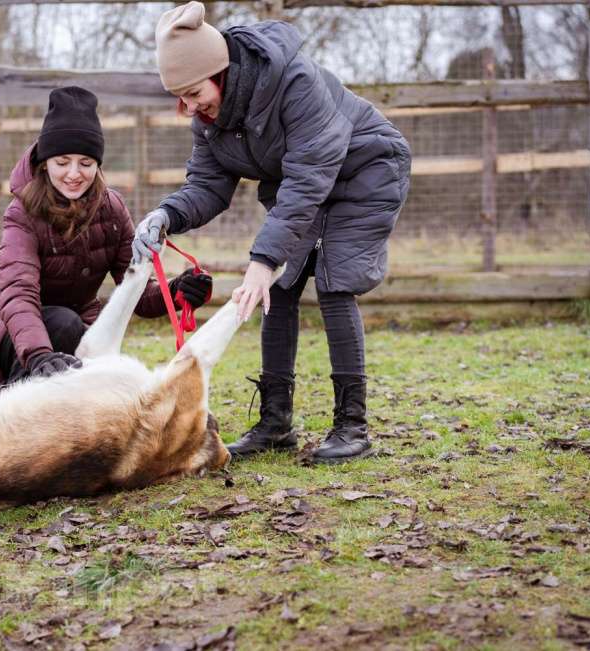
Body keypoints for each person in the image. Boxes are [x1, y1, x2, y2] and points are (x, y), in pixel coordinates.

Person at [132, 2, 412, 464]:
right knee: (278, 289)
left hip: (367, 169)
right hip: (304, 183)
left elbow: (307, 179)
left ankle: (352, 427)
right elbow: (207, 184)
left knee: (335, 282)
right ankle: (275, 423)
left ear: (220, 71)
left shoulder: (292, 81)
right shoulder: (210, 119)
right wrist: (167, 215)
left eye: (193, 91)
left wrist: (262, 261)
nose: (188, 108)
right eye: (178, 97)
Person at [0, 86, 212, 388]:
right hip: (0, 327)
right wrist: (39, 355)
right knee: (65, 326)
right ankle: (8, 409)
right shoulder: (22, 213)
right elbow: (19, 293)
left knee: (91, 366)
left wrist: (176, 292)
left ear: (97, 164)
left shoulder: (112, 209)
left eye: (85, 163)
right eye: (62, 162)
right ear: (44, 163)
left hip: (75, 328)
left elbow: (134, 293)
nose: (73, 174)